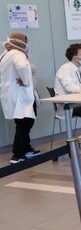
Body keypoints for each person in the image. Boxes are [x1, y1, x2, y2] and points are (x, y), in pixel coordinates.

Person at [0, 33, 39, 164]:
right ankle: (17, 154)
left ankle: (26, 148)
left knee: (24, 122)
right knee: (25, 123)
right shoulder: (18, 54)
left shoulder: (5, 55)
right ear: (21, 42)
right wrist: (26, 81)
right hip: (21, 96)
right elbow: (22, 67)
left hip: (13, 95)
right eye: (26, 42)